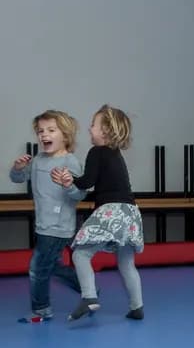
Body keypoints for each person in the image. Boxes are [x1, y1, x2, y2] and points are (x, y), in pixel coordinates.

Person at [52, 105, 144, 322]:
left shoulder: (97, 152)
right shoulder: (116, 155)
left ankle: (89, 297)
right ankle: (137, 306)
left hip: (112, 211)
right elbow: (107, 189)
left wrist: (70, 179)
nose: (89, 128)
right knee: (126, 263)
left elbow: (87, 182)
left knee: (80, 254)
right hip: (130, 212)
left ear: (105, 131)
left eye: (93, 124)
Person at [9, 110, 86, 323]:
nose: (44, 135)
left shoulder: (70, 162)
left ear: (65, 135)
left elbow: (80, 194)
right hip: (43, 224)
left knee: (37, 268)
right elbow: (17, 178)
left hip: (59, 226)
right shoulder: (38, 160)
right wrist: (17, 168)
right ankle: (88, 290)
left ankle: (41, 309)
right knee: (52, 266)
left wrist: (68, 184)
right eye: (40, 131)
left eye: (51, 130)